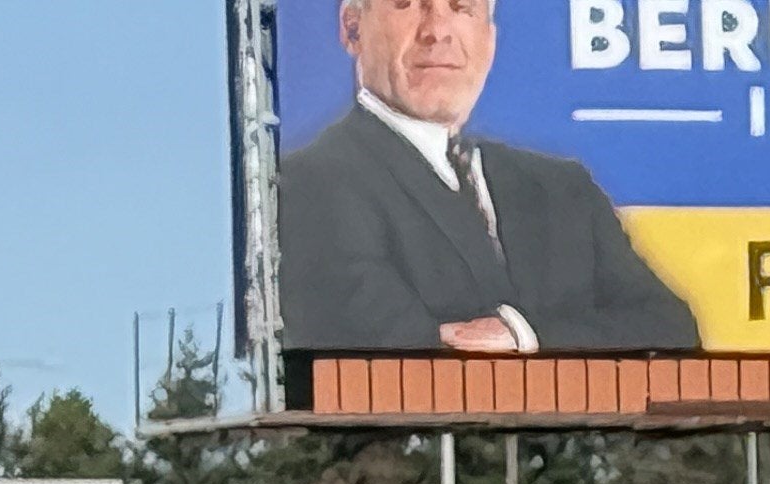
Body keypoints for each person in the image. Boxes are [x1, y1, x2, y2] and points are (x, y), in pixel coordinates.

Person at [280, 0, 699, 355]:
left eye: (461, 7)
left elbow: (671, 328)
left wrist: (524, 335)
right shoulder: (310, 183)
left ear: (489, 38)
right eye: (408, 4)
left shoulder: (563, 189)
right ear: (353, 28)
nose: (437, 30)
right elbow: (396, 348)